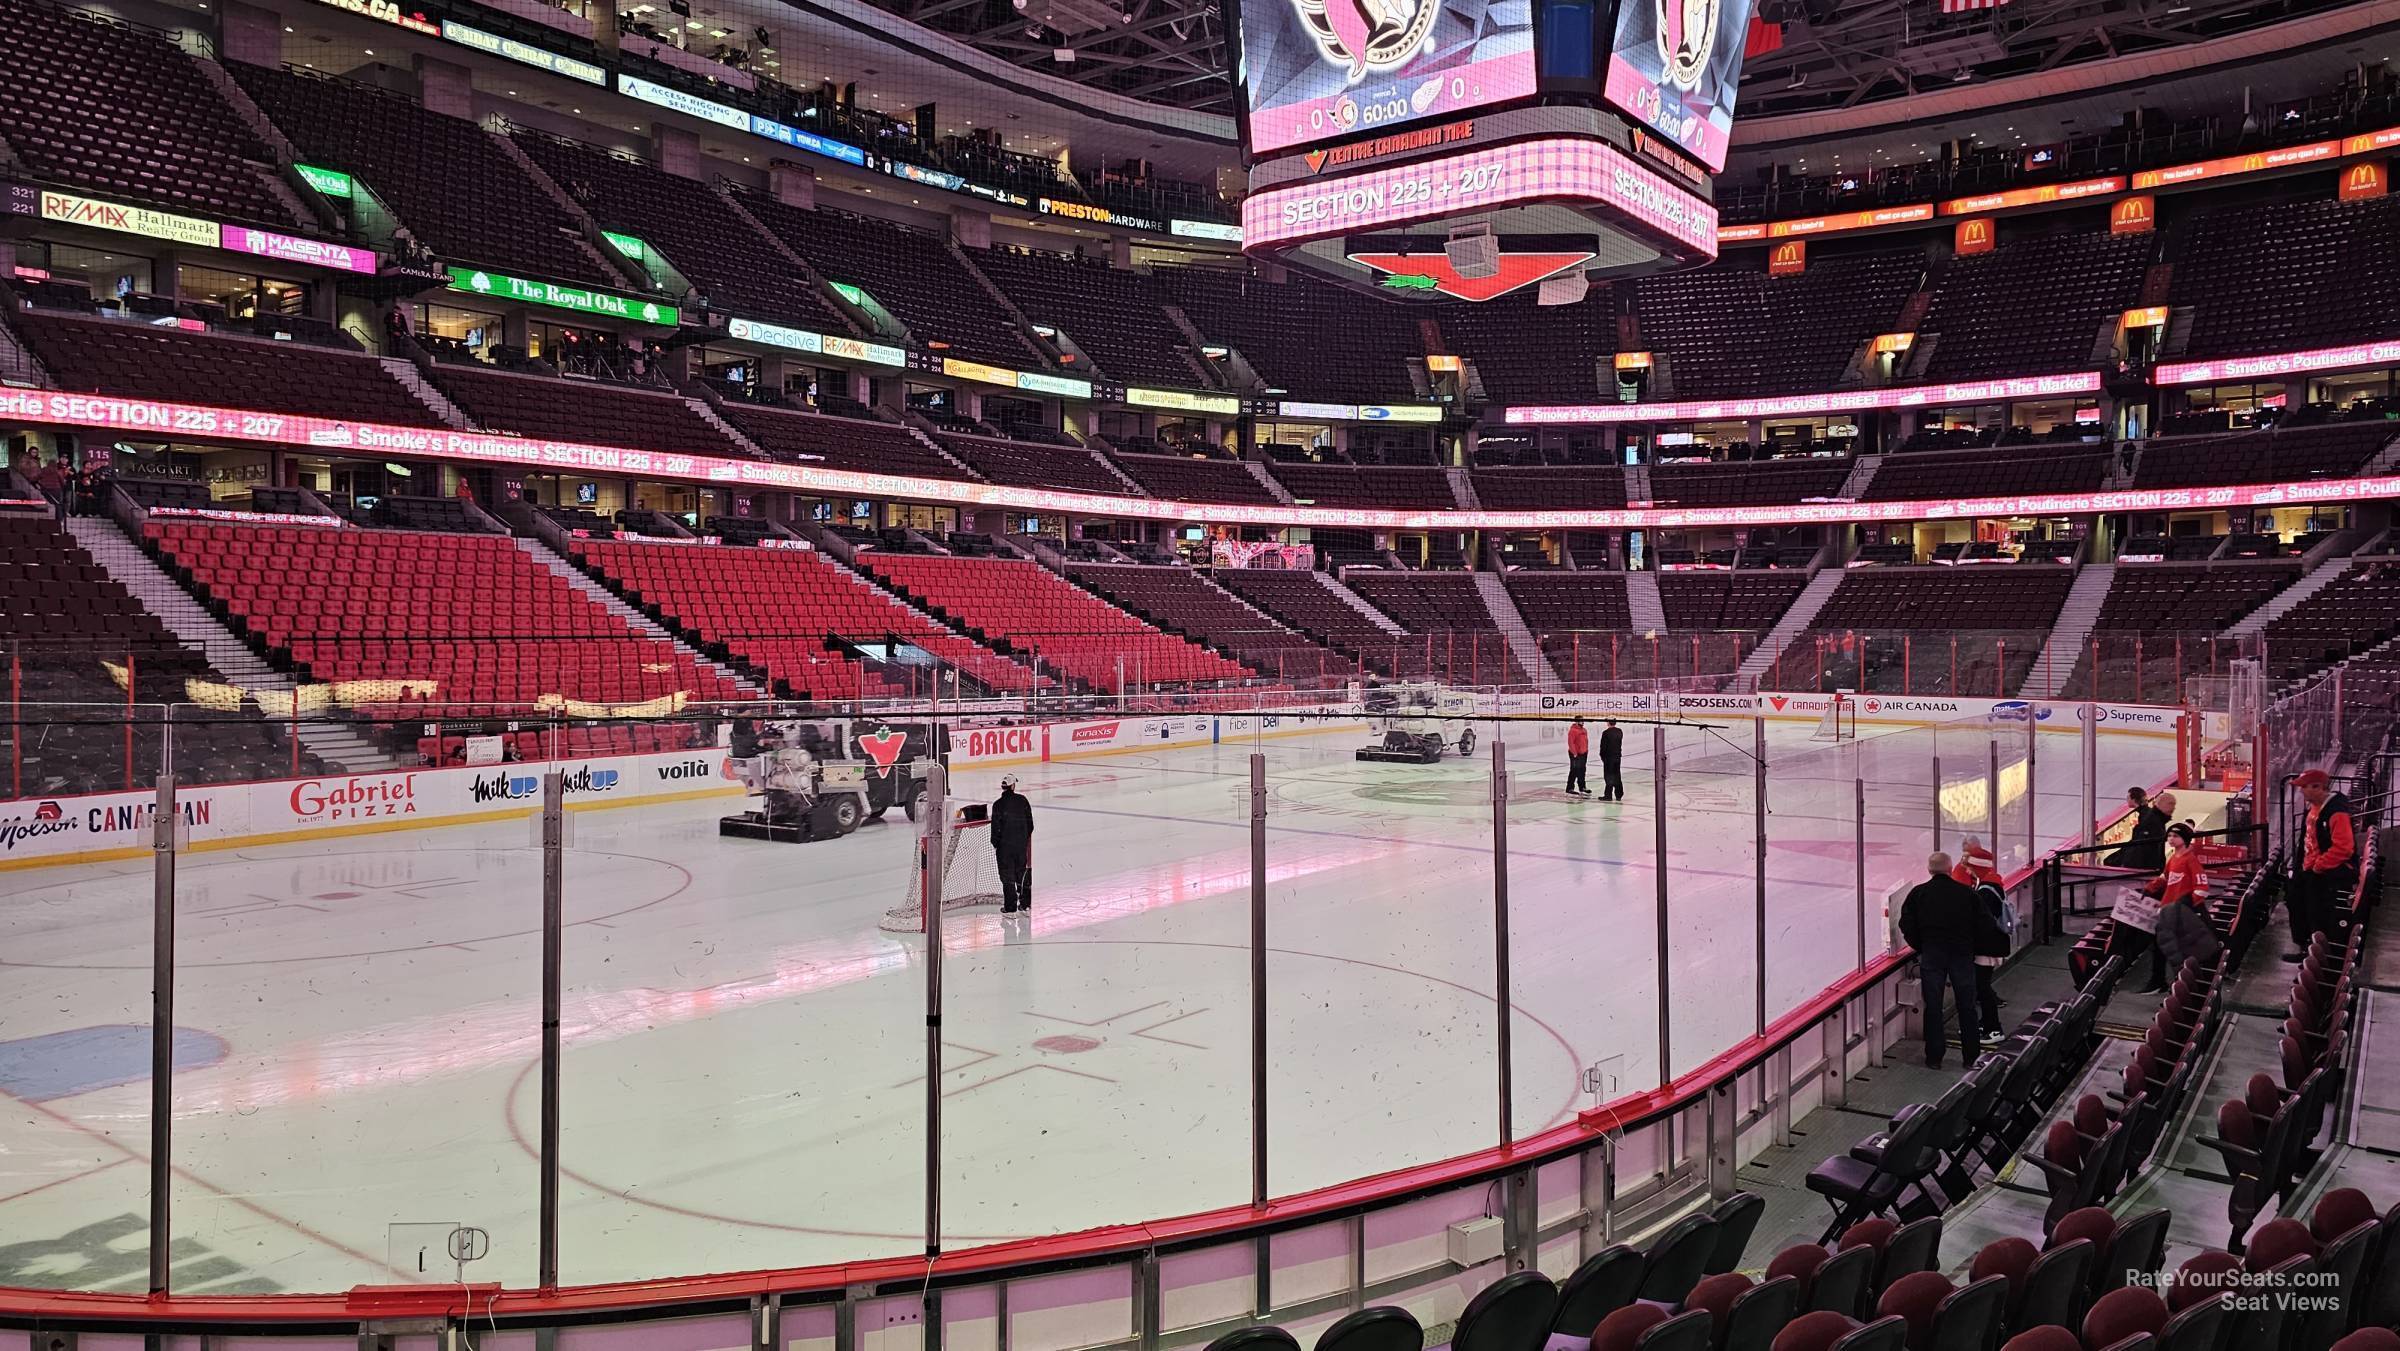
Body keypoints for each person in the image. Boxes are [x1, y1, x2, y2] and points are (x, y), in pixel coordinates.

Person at [1900, 851, 1983, 1069]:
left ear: (1929, 870)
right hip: (1961, 955)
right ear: (1949, 869)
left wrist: (1922, 945)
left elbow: (1906, 925)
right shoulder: (1967, 893)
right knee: (1967, 1007)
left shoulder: (1919, 894)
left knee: (1933, 1007)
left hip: (1932, 955)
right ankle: (1971, 1057)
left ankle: (1934, 1058)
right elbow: (1984, 923)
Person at [2289, 769, 2356, 961]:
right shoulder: (2314, 808)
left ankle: (2317, 958)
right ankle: (2305, 950)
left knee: (2318, 915)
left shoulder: (2336, 812)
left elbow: (2344, 848)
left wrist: (2319, 866)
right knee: (2297, 903)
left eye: (2305, 787)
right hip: (2309, 869)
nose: (2301, 791)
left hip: (2327, 873)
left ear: (2318, 787)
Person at [2151, 824, 2220, 985]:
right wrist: (2150, 888)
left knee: (2174, 947)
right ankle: (2162, 980)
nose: (2171, 839)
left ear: (2185, 839)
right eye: (2169, 836)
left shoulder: (2190, 860)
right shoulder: (2173, 858)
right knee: (2163, 946)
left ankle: (2171, 981)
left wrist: (2186, 906)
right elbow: (2165, 877)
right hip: (2170, 910)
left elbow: (2202, 888)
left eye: (2175, 836)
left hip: (2180, 913)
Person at [1952, 838, 2007, 1026]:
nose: (1967, 870)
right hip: (1990, 945)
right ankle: (1988, 1023)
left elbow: (1982, 922)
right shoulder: (1992, 884)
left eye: (1970, 867)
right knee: (1982, 986)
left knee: (1982, 987)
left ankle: (1992, 1027)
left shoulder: (1985, 891)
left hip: (1986, 948)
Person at [991, 773, 1035, 914]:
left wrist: (997, 844)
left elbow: (995, 829)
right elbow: (1030, 825)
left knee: (1007, 876)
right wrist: (1022, 839)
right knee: (1021, 873)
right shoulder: (1022, 800)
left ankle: (1010, 907)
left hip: (1004, 848)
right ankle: (1025, 904)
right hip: (1020, 846)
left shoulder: (997, 805)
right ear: (1013, 786)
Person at [2107, 787, 2169, 870]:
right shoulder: (2148, 814)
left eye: (2128, 797)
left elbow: (2141, 843)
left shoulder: (2147, 817)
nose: (2126, 800)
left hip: (2147, 862)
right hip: (2153, 860)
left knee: (2109, 861)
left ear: (2133, 800)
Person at [1599, 718, 1625, 801]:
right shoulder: (1619, 731)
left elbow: (1603, 747)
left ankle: (1608, 795)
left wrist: (1602, 757)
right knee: (1617, 775)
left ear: (1608, 723)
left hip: (1609, 758)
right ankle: (1619, 794)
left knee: (1609, 776)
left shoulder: (1606, 733)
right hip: (1617, 757)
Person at [1564, 716, 1590, 797]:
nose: (1583, 722)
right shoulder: (1573, 731)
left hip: (1583, 753)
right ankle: (1569, 788)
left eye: (1583, 720)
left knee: (1582, 770)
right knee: (1574, 770)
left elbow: (1585, 741)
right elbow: (1571, 743)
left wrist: (1586, 750)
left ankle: (1582, 787)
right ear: (1577, 721)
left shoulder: (1584, 730)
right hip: (1575, 754)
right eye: (1581, 721)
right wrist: (1574, 753)